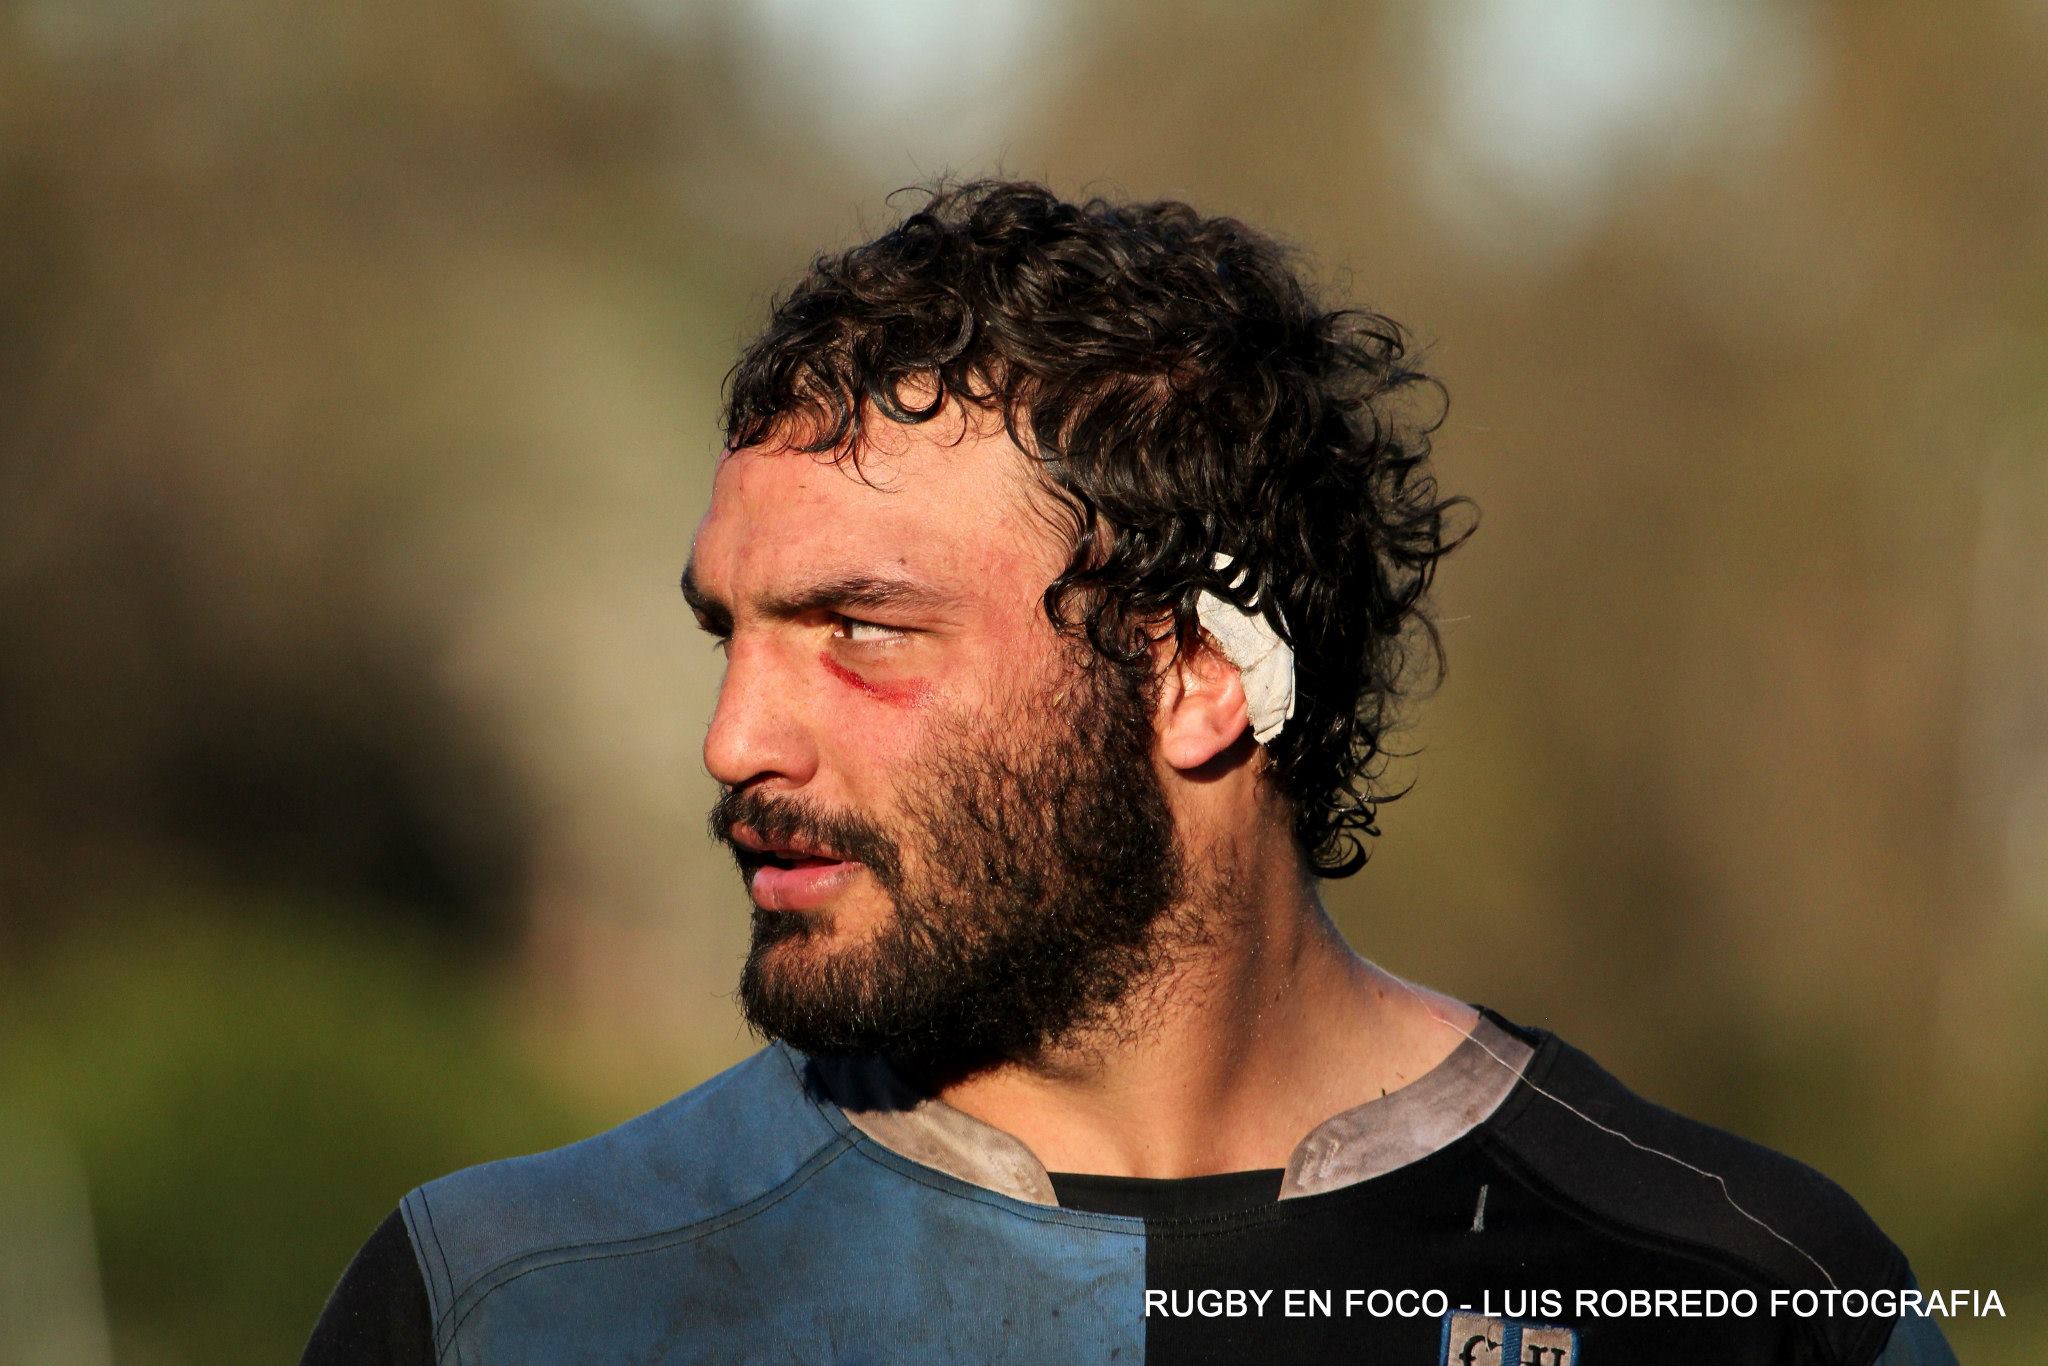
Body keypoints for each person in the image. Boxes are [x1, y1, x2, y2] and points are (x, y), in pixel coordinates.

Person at [301, 180, 1954, 1366]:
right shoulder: (508, 1302)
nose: (737, 740)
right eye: (728, 630)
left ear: (1192, 675)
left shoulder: (1754, 1298)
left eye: (861, 628)